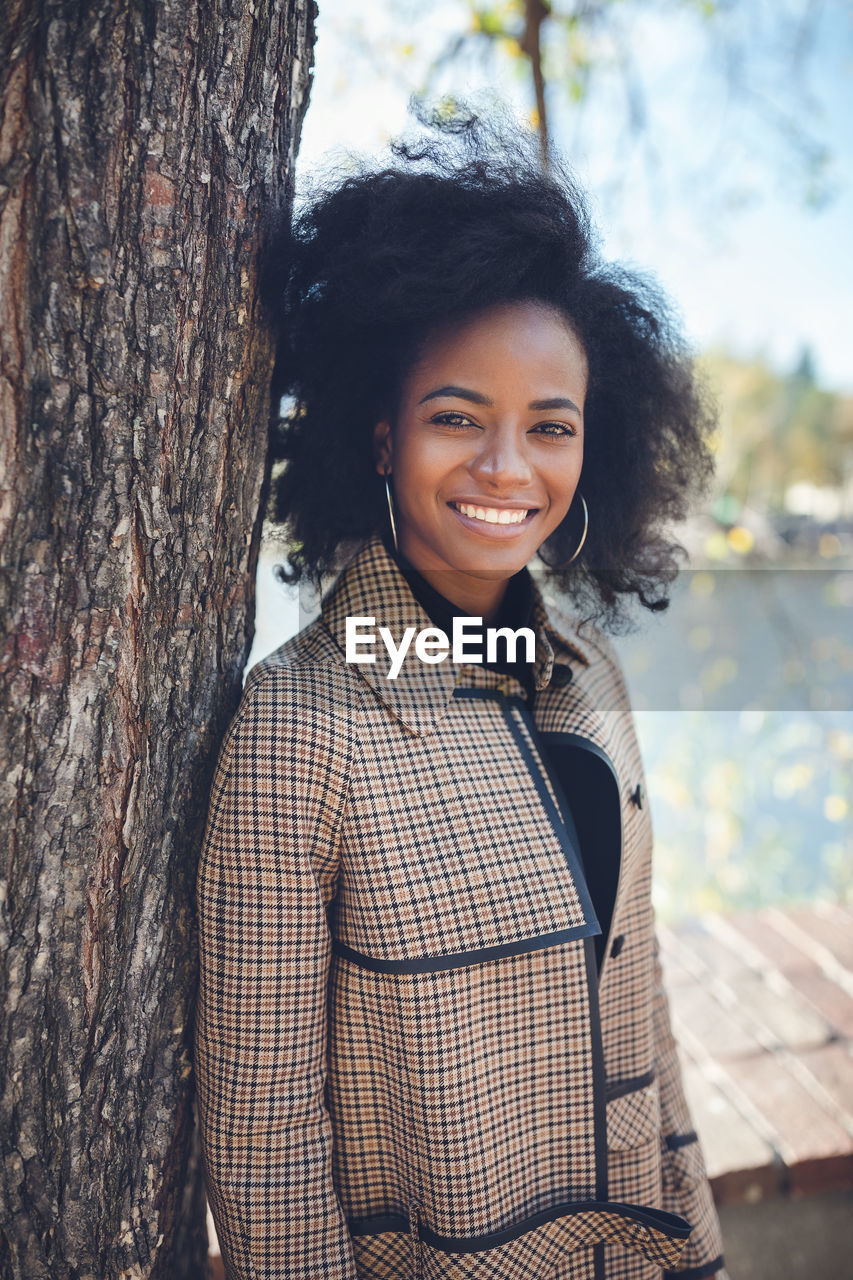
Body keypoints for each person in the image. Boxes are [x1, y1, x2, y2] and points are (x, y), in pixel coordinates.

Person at [194, 113, 730, 1280]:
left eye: (550, 426)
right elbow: (264, 1143)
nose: (505, 467)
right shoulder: (298, 731)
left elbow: (640, 1001)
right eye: (456, 417)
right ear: (381, 438)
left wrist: (695, 1251)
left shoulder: (592, 673)